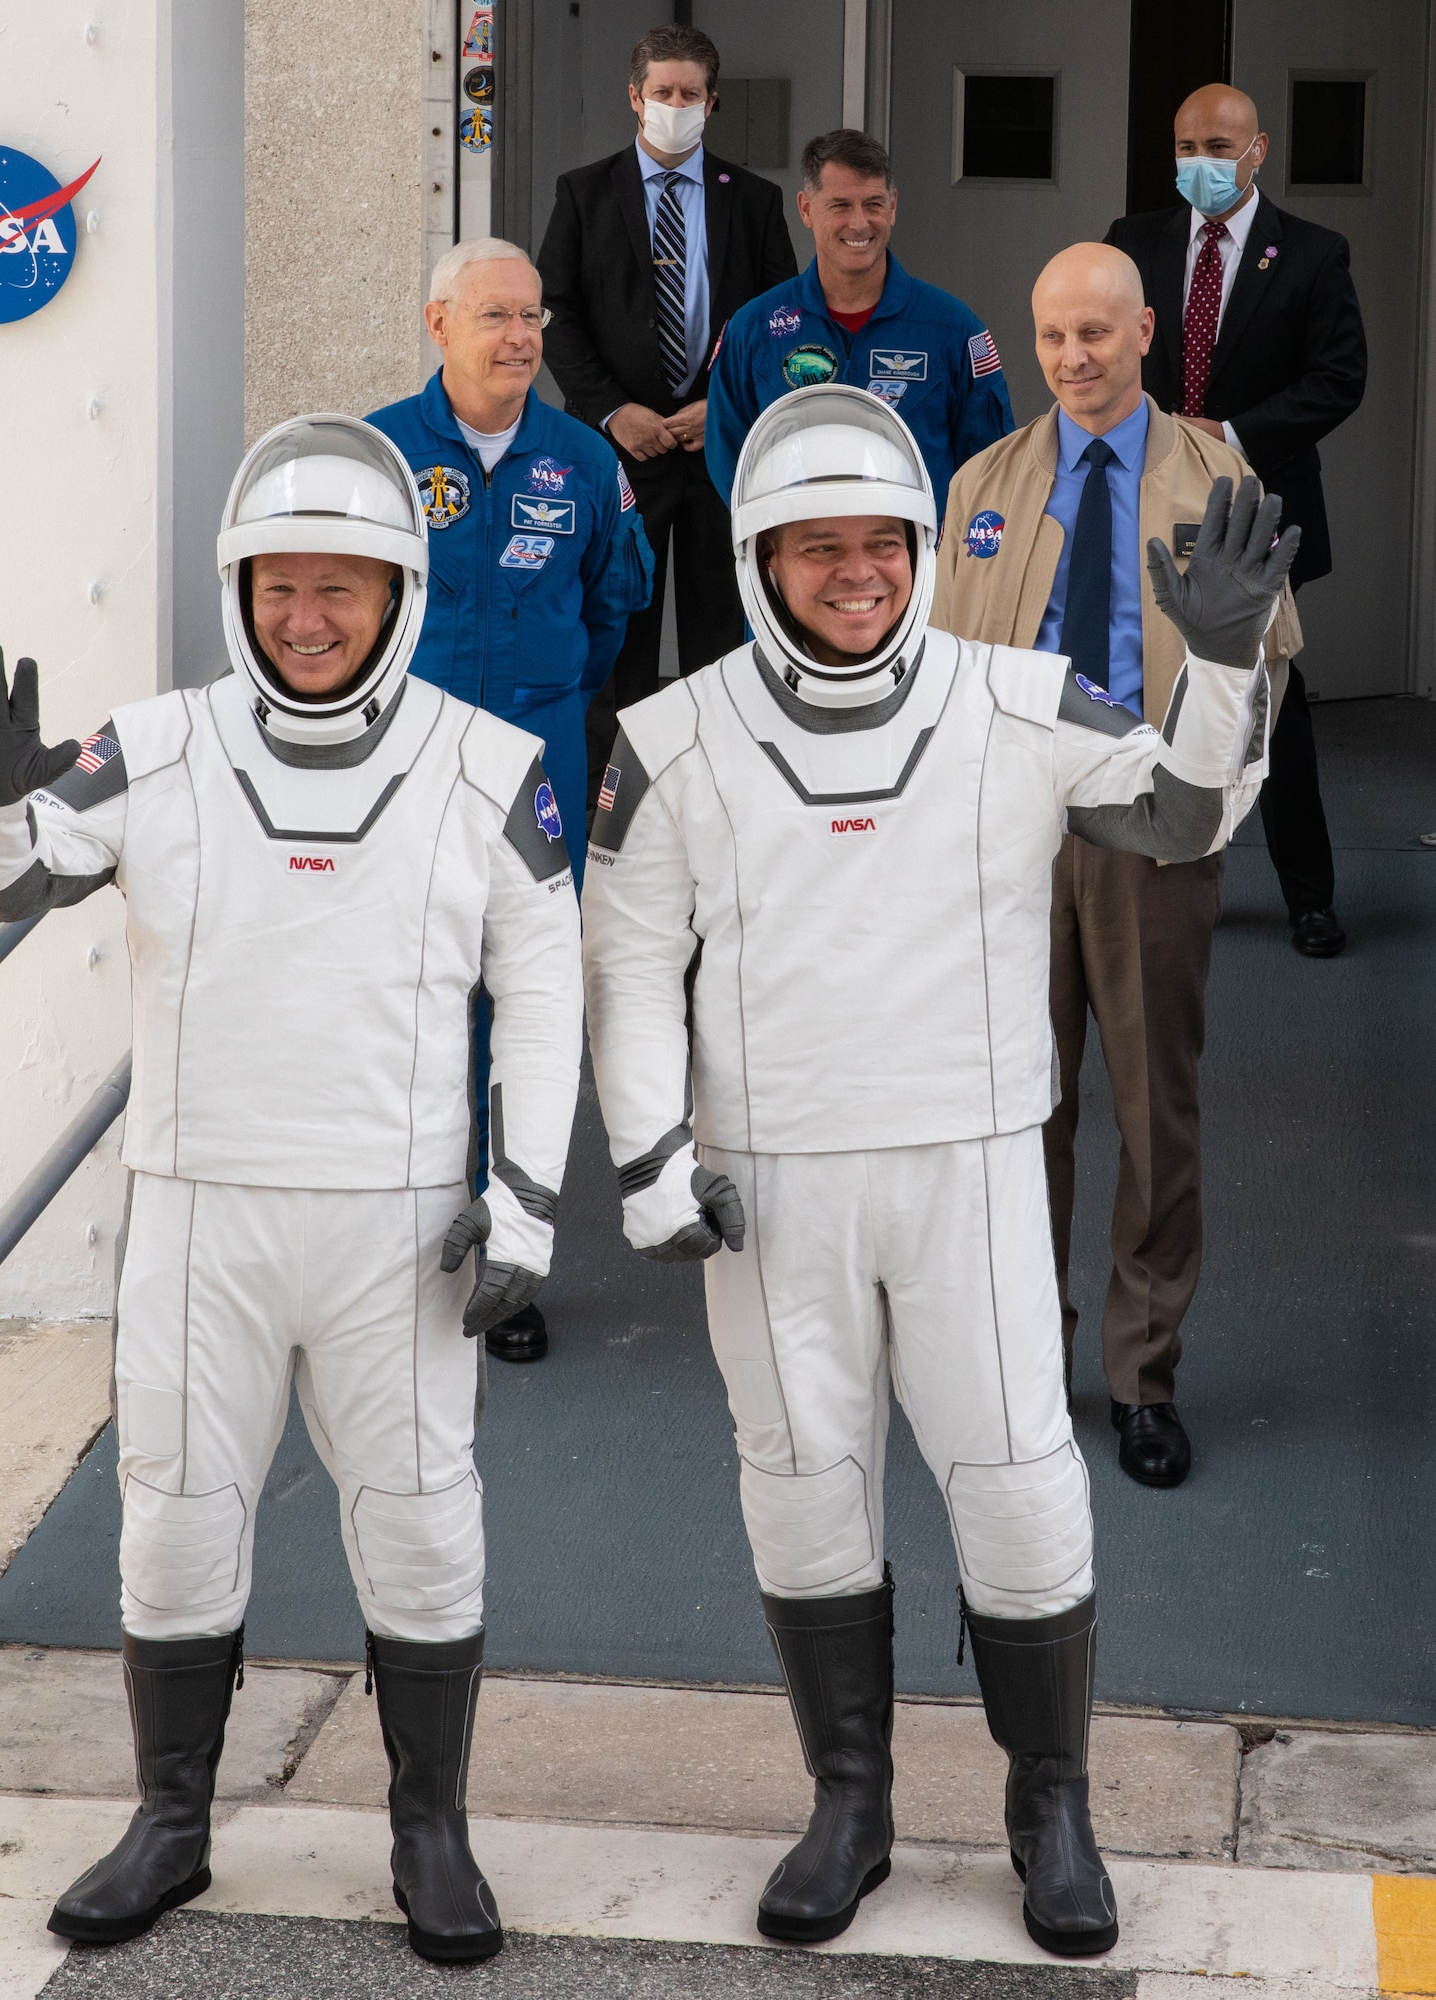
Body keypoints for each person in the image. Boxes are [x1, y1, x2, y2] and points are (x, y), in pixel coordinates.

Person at [582, 383, 1295, 1956]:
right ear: (759, 557)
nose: (855, 574)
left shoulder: (1021, 698)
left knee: (1020, 1484)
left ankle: (1052, 1803)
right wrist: (645, 1155)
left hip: (969, 1170)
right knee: (800, 1486)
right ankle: (849, 1800)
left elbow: (1178, 818)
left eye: (882, 544)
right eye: (815, 548)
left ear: (921, 545)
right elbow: (626, 965)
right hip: (769, 1189)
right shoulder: (670, 736)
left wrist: (1224, 665)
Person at [0, 416, 584, 1965]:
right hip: (199, 1210)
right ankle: (171, 1823)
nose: (307, 617)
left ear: (398, 596)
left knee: (423, 1526)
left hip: (399, 1223)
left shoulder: (488, 768)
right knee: (171, 1526)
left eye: (340, 589)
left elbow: (547, 981)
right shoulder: (149, 748)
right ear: (239, 589)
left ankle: (431, 1834)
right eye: (280, 585)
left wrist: (532, 1198)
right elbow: (10, 885)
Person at [932, 244, 1300, 1490]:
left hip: (1151, 831)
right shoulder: (984, 480)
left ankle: (1144, 1379)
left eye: (1096, 333)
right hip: (1012, 842)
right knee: (1016, 1113)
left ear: (1145, 329)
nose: (1073, 359)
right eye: (1050, 338)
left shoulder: (1217, 469)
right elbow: (935, 676)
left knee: (1155, 1113)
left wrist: (1213, 799)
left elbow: (1267, 666)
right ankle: (1028, 1363)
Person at [374, 237, 652, 1364]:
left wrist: (542, 701)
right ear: (436, 324)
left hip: (533, 778)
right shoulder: (378, 452)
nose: (522, 336)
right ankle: (401, 1243)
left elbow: (612, 608)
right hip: (404, 774)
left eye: (533, 315)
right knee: (411, 1008)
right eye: (496, 315)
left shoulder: (583, 460)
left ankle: (510, 1252)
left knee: (523, 1013)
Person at [1105, 84, 1367, 959]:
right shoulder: (1130, 242)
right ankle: (1142, 877)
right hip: (1144, 497)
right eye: (1184, 147)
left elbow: (1339, 377)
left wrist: (1232, 433)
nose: (1199, 165)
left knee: (1269, 703)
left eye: (1217, 148)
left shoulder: (1311, 253)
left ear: (1257, 151)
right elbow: (1099, 351)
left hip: (1257, 502)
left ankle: (1308, 898)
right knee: (1142, 687)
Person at [536, 22, 798, 809]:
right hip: (624, 455)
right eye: (661, 93)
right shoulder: (583, 192)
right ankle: (610, 801)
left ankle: (720, 796)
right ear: (633, 98)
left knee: (724, 631)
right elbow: (557, 311)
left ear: (711, 103)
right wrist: (612, 412)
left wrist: (719, 404)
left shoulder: (752, 201)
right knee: (621, 630)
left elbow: (781, 321)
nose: (674, 107)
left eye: (689, 95)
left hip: (716, 449)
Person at [704, 128, 1014, 523]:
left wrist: (945, 557)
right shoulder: (754, 330)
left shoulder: (953, 329)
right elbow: (729, 458)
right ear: (805, 209)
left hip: (918, 569)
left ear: (893, 207)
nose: (859, 223)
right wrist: (777, 543)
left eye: (873, 204)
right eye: (840, 205)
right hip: (800, 566)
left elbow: (989, 466)